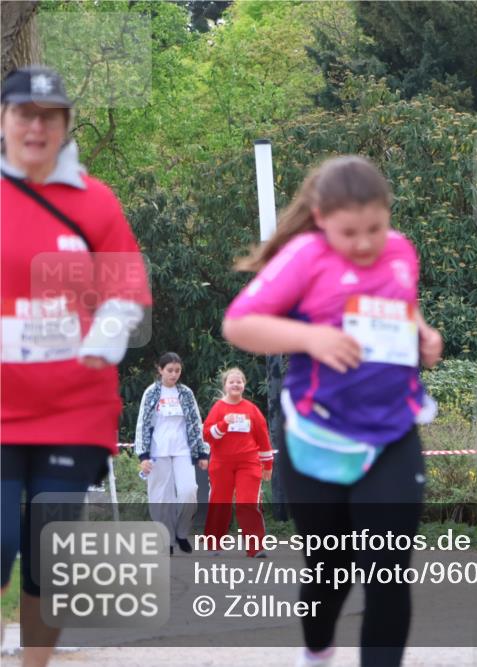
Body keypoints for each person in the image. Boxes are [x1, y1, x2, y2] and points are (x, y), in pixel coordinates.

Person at [222, 155, 443, 667]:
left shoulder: (400, 252)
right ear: (321, 217)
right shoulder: (305, 256)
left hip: (391, 433)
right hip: (316, 437)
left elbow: (399, 311)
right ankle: (317, 650)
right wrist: (311, 337)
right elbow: (240, 324)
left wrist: (424, 336)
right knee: (330, 565)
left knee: (388, 568)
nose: (365, 243)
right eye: (349, 232)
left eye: (375, 227)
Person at [0, 66, 151, 666]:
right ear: (4, 120)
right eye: (24, 114)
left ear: (64, 127)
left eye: (50, 116)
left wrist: (106, 336)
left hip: (73, 409)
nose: (36, 126)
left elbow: (128, 290)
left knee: (48, 553)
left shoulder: (96, 202)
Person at [134, 352, 209, 556]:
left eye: (177, 371)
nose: (174, 374)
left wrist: (202, 453)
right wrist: (143, 456)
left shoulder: (186, 393)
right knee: (160, 497)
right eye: (170, 370)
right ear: (160, 370)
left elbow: (195, 422)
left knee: (189, 491)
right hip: (158, 451)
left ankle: (181, 533)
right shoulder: (151, 392)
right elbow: (142, 424)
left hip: (183, 449)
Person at [202, 367, 273, 557]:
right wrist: (224, 424)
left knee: (247, 502)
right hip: (221, 464)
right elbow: (208, 435)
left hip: (248, 463)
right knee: (220, 502)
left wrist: (267, 464)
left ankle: (256, 547)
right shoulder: (218, 408)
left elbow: (263, 438)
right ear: (225, 385)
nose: (235, 384)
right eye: (231, 381)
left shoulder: (252, 410)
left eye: (239, 381)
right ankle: (214, 544)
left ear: (244, 385)